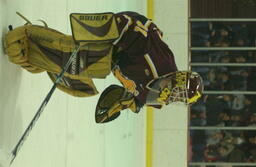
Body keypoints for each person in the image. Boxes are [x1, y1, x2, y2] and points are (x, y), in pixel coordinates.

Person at [4, 11, 204, 123]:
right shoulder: (159, 61)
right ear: (176, 79)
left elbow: (138, 99)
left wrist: (129, 102)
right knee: (84, 59)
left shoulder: (157, 99)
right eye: (179, 93)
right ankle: (30, 36)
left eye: (179, 100)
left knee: (80, 84)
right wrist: (110, 30)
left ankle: (39, 55)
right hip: (115, 45)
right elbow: (142, 25)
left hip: (113, 62)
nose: (173, 98)